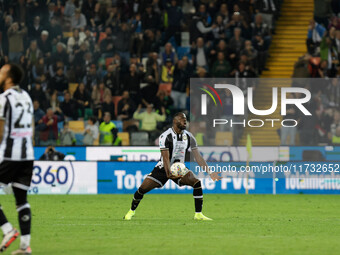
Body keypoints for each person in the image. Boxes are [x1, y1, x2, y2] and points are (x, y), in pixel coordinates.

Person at [123, 112, 221, 221]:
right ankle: (131, 211)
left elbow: (198, 157)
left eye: (185, 119)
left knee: (196, 183)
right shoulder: (165, 136)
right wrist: (169, 174)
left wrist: (210, 172)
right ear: (175, 121)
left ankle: (198, 214)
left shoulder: (189, 137)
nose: (185, 121)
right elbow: (165, 158)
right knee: (142, 189)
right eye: (182, 119)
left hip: (179, 168)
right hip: (163, 168)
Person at [0, 64, 34, 254]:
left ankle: (7, 230)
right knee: (21, 199)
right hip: (27, 154)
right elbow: (31, 126)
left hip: (9, 154)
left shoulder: (3, 99)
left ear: (8, 77)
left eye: (1, 72)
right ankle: (25, 246)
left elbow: (0, 132)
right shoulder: (27, 97)